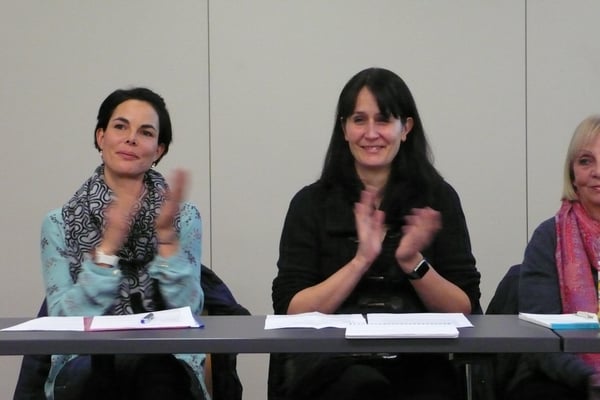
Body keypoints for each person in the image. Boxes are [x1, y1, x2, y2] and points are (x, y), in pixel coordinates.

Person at [271, 67, 481, 400]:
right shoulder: (310, 203)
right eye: (359, 120)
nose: (371, 133)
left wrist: (412, 261)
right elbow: (291, 309)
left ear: (405, 128)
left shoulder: (438, 198)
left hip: (418, 363)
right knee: (359, 388)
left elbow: (465, 307)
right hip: (331, 367)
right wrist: (360, 261)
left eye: (383, 120)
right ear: (344, 129)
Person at [40, 87, 208, 400]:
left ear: (158, 150)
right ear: (101, 137)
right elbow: (62, 322)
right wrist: (109, 246)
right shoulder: (59, 222)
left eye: (146, 132)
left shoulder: (183, 216)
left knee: (158, 378)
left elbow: (189, 312)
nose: (131, 138)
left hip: (164, 359)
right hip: (85, 362)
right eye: (120, 126)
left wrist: (166, 238)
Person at [507, 115, 600, 400]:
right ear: (572, 174)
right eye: (586, 161)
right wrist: (590, 379)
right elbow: (539, 339)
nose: (597, 171)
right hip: (561, 377)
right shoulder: (549, 237)